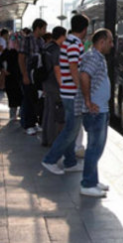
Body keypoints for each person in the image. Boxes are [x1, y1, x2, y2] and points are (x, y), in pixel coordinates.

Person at [41, 14, 89, 175]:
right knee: (71, 130)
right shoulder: (75, 44)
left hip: (67, 92)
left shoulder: (68, 42)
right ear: (84, 29)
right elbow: (73, 67)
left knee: (71, 129)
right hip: (73, 92)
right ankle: (50, 159)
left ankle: (70, 162)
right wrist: (81, 87)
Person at [77, 29, 114, 197]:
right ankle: (88, 183)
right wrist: (88, 101)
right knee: (94, 148)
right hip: (95, 111)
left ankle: (93, 179)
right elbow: (84, 76)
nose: (112, 45)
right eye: (110, 41)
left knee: (96, 147)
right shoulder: (93, 57)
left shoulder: (96, 56)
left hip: (100, 110)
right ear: (102, 41)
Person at [18, 18, 47, 135]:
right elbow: (21, 58)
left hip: (37, 75)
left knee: (35, 98)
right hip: (28, 73)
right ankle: (28, 124)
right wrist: (24, 75)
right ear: (37, 28)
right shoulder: (27, 39)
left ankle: (34, 122)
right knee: (28, 99)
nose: (45, 31)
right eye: (44, 28)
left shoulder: (41, 41)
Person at [41, 26, 66, 146]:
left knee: (47, 112)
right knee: (54, 114)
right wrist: (62, 85)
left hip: (45, 82)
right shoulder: (57, 50)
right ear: (61, 36)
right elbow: (57, 69)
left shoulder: (47, 46)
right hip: (53, 84)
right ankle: (51, 140)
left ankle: (45, 138)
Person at [0, 31, 22, 121]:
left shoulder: (21, 51)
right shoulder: (8, 51)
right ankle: (13, 115)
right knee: (13, 96)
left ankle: (18, 114)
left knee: (18, 96)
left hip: (18, 77)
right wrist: (4, 70)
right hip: (12, 77)